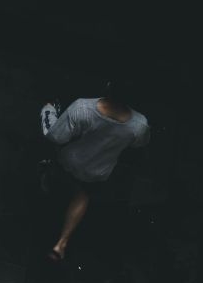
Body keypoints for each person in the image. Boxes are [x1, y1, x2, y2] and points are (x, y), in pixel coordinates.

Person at [40, 81, 150, 262]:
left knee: (54, 173)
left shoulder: (83, 108)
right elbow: (141, 143)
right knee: (82, 195)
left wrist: (49, 110)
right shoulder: (140, 125)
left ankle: (47, 187)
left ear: (108, 87)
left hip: (69, 160)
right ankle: (61, 242)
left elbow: (57, 136)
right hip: (97, 171)